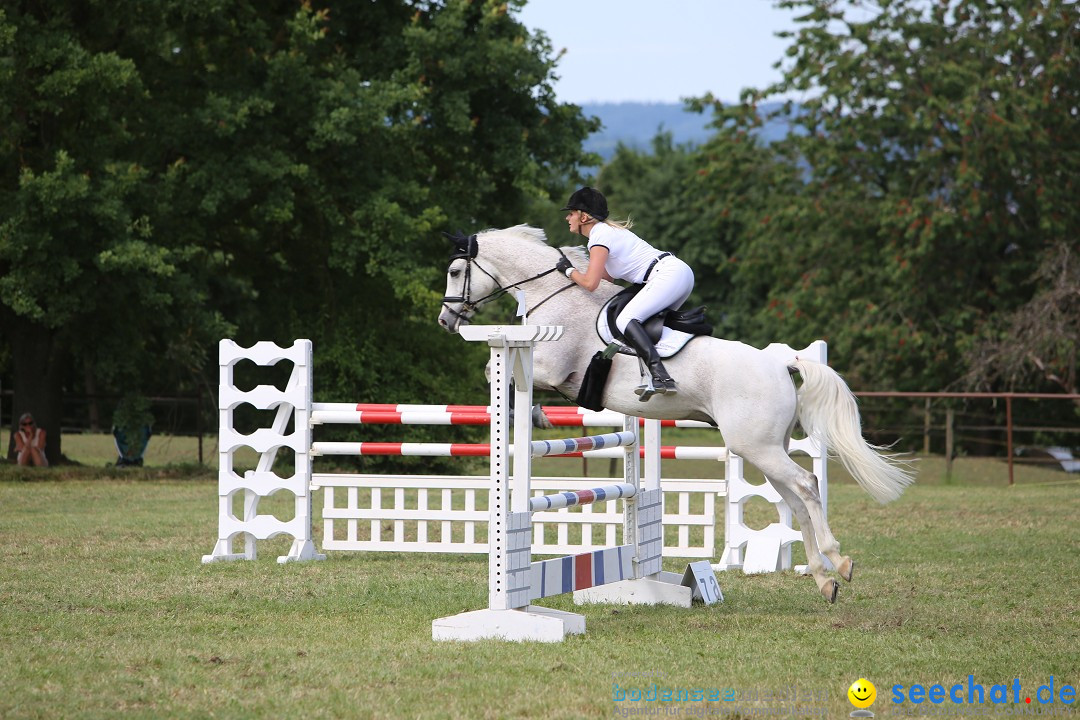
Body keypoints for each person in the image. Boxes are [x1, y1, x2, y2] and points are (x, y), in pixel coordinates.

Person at [556, 186, 695, 397]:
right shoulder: (605, 233)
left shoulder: (599, 235)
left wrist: (568, 271)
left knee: (625, 319)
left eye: (571, 213)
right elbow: (605, 280)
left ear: (584, 217)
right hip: (677, 274)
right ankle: (664, 373)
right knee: (645, 328)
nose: (568, 218)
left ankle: (661, 377)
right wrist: (577, 275)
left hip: (667, 275)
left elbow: (591, 283)